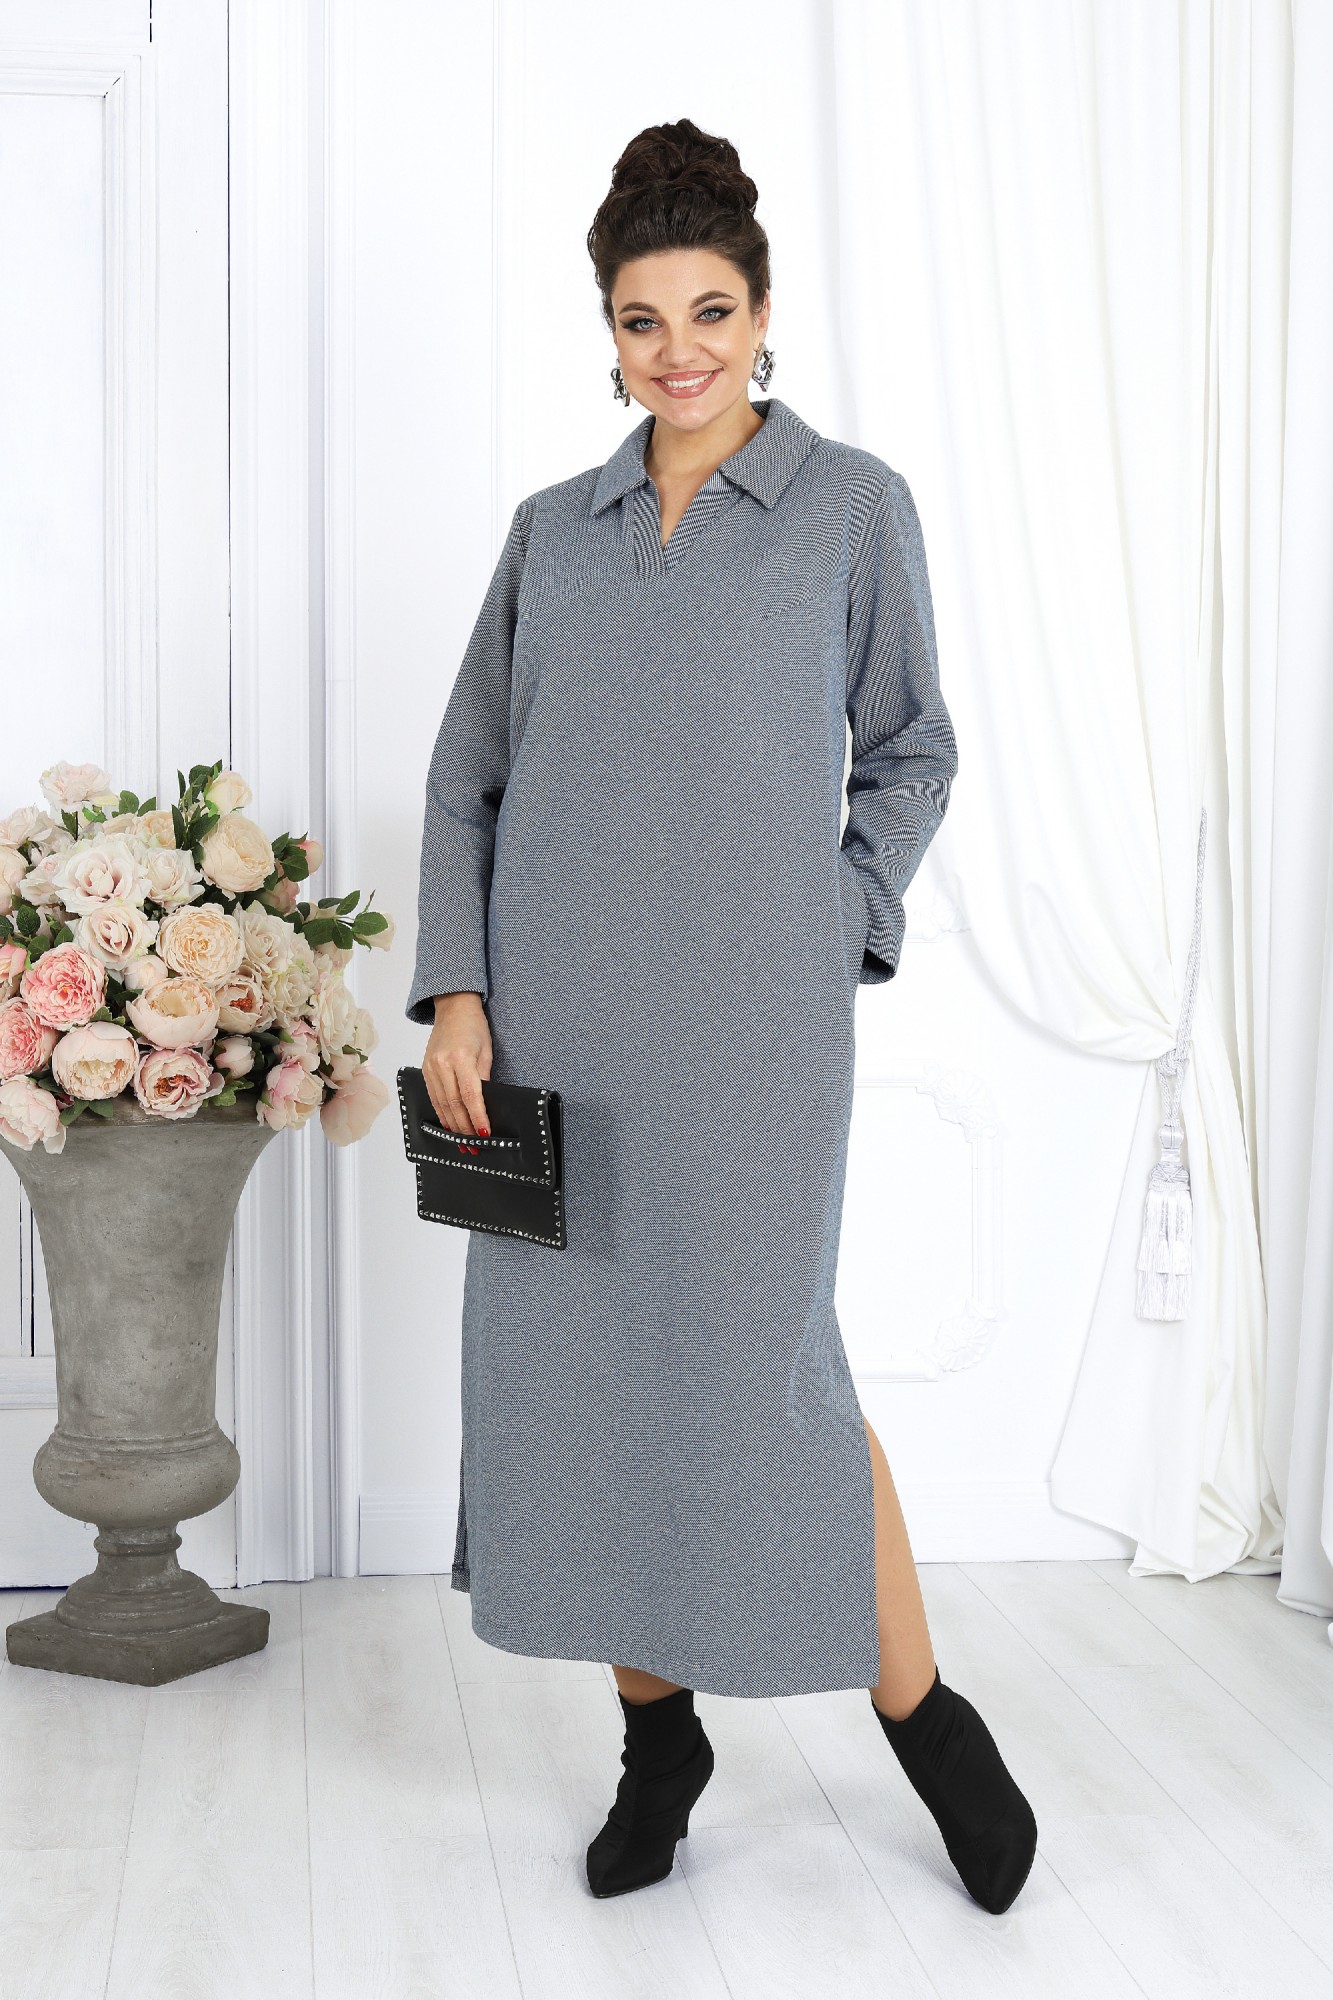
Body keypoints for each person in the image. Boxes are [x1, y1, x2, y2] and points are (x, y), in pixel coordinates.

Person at [406, 117, 1037, 1914]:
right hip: (557, 1029)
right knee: (588, 1378)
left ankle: (928, 1725)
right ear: (604, 332)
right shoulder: (552, 533)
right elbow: (464, 780)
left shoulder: (850, 508)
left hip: (758, 1030)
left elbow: (910, 749)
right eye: (639, 318)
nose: (674, 351)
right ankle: (656, 1741)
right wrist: (460, 993)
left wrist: (836, 913)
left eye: (707, 312)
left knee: (768, 1376)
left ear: (762, 315)